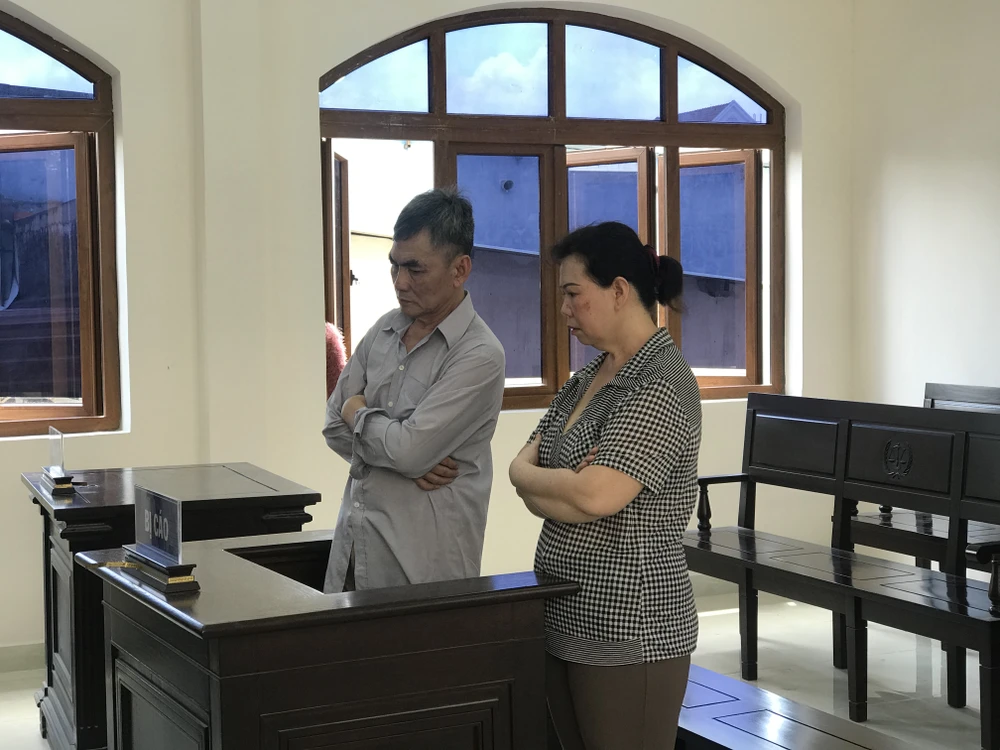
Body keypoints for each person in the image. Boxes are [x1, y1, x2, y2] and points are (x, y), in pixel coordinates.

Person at [508, 221, 702, 750]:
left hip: (630, 623)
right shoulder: (588, 377)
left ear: (619, 290)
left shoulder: (661, 381)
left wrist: (559, 483)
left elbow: (596, 496)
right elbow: (521, 470)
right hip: (565, 609)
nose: (564, 310)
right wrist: (559, 481)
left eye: (574, 294)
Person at [322, 188, 505, 593]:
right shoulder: (384, 330)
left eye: (415, 269)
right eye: (394, 266)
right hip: (354, 552)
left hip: (423, 572)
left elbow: (402, 448)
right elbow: (332, 427)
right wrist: (403, 454)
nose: (400, 282)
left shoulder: (479, 354)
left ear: (459, 270)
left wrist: (357, 413)